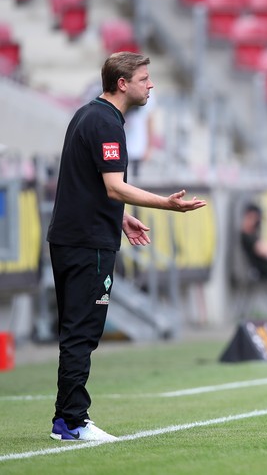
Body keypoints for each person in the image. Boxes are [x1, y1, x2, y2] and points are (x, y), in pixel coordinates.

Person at [47, 52, 207, 442]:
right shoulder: (106, 122)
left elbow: (86, 182)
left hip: (72, 236)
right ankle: (71, 421)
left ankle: (65, 420)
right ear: (123, 83)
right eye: (144, 78)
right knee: (82, 332)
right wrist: (167, 204)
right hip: (87, 243)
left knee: (75, 330)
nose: (150, 85)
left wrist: (119, 216)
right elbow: (114, 186)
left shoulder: (87, 115)